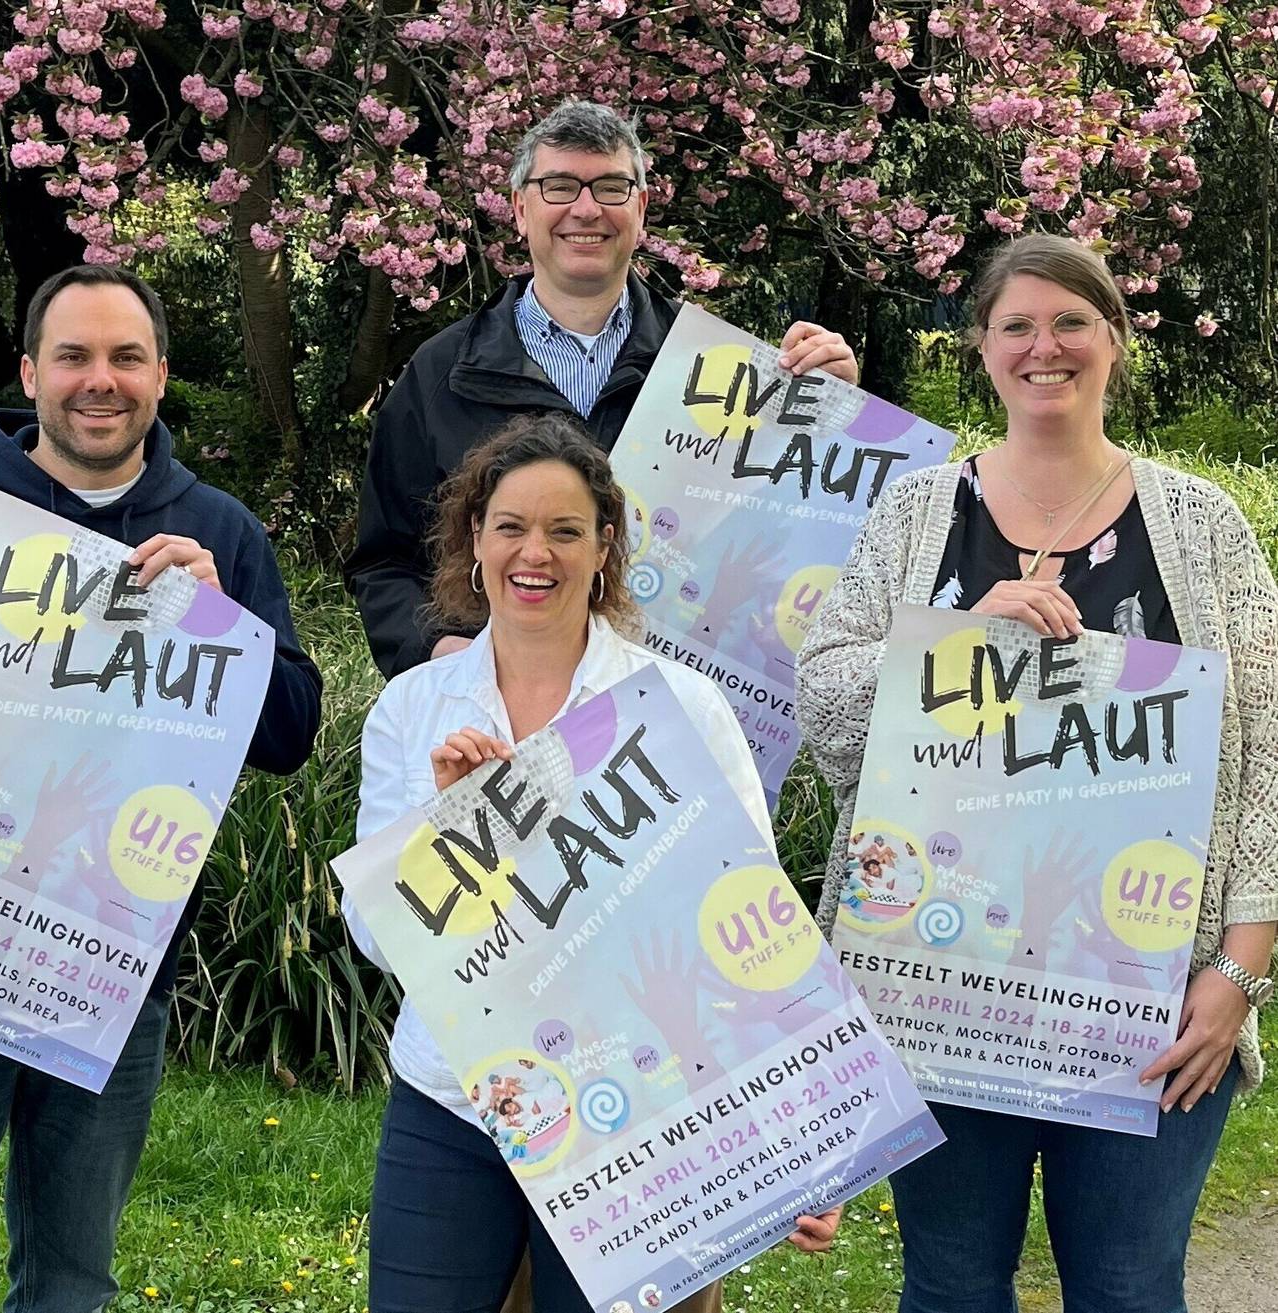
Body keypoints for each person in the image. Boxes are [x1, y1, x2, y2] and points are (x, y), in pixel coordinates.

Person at [0, 263, 324, 1313]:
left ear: (162, 375)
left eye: (127, 356)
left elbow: (290, 735)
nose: (101, 380)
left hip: (107, 976)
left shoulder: (221, 532)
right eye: (74, 355)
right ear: (30, 372)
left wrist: (225, 628)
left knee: (72, 1279)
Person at [797, 233, 1278, 1312]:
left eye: (1071, 322)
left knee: (1127, 1283)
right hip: (941, 990)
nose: (1043, 346)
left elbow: (1269, 762)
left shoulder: (1203, 525)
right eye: (1016, 324)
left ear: (1115, 338)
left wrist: (1237, 974)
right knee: (954, 1282)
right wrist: (956, 638)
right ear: (981, 346)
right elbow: (823, 693)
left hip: (1150, 1001)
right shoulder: (919, 513)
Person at [342, 412, 838, 1313]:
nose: (537, 553)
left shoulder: (679, 706)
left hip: (643, 1109)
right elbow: (379, 941)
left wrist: (792, 1141)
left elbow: (753, 923)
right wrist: (455, 828)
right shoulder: (413, 710)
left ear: (605, 545)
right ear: (475, 540)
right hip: (455, 1101)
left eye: (566, 530)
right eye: (513, 527)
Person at [345, 98, 861, 677]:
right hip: (494, 710)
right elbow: (386, 562)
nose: (586, 210)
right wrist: (440, 652)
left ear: (640, 209)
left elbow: (789, 526)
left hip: (664, 707)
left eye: (611, 188)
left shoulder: (718, 370)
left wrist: (833, 413)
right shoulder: (440, 374)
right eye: (559, 186)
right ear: (519, 209)